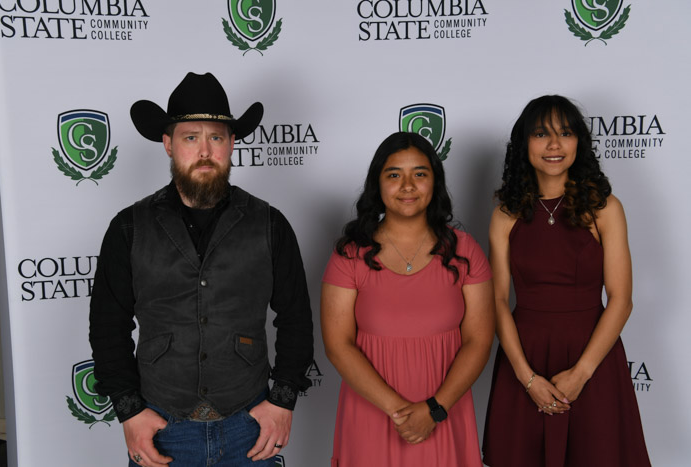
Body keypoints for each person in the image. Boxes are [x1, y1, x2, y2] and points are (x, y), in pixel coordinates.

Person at [88, 72, 314, 467]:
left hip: (250, 426)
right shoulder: (129, 226)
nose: (205, 150)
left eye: (217, 137)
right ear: (168, 144)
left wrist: (283, 400)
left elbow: (295, 317)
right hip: (162, 426)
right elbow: (108, 325)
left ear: (231, 144)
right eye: (191, 137)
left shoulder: (269, 223)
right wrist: (128, 411)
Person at [482, 95, 651, 466]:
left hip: (593, 359)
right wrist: (527, 379)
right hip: (523, 359)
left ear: (579, 143)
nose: (554, 144)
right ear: (524, 143)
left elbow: (621, 299)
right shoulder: (505, 215)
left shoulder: (605, 208)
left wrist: (581, 373)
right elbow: (495, 302)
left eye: (566, 133)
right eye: (542, 133)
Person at [321, 131, 495, 467]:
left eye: (419, 173)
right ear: (378, 184)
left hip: (444, 413)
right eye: (394, 175)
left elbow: (479, 340)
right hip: (372, 414)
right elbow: (337, 345)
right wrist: (402, 413)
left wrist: (434, 409)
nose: (407, 186)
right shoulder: (349, 255)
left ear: (435, 182)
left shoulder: (465, 250)